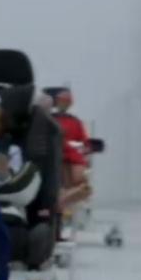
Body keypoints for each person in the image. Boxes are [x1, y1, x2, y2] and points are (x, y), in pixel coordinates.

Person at [51, 88, 95, 222]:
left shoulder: (75, 122)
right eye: (61, 100)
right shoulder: (49, 119)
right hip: (54, 160)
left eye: (66, 101)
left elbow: (84, 143)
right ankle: (60, 206)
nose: (64, 103)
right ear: (57, 102)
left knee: (84, 188)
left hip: (71, 162)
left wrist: (83, 153)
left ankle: (61, 205)